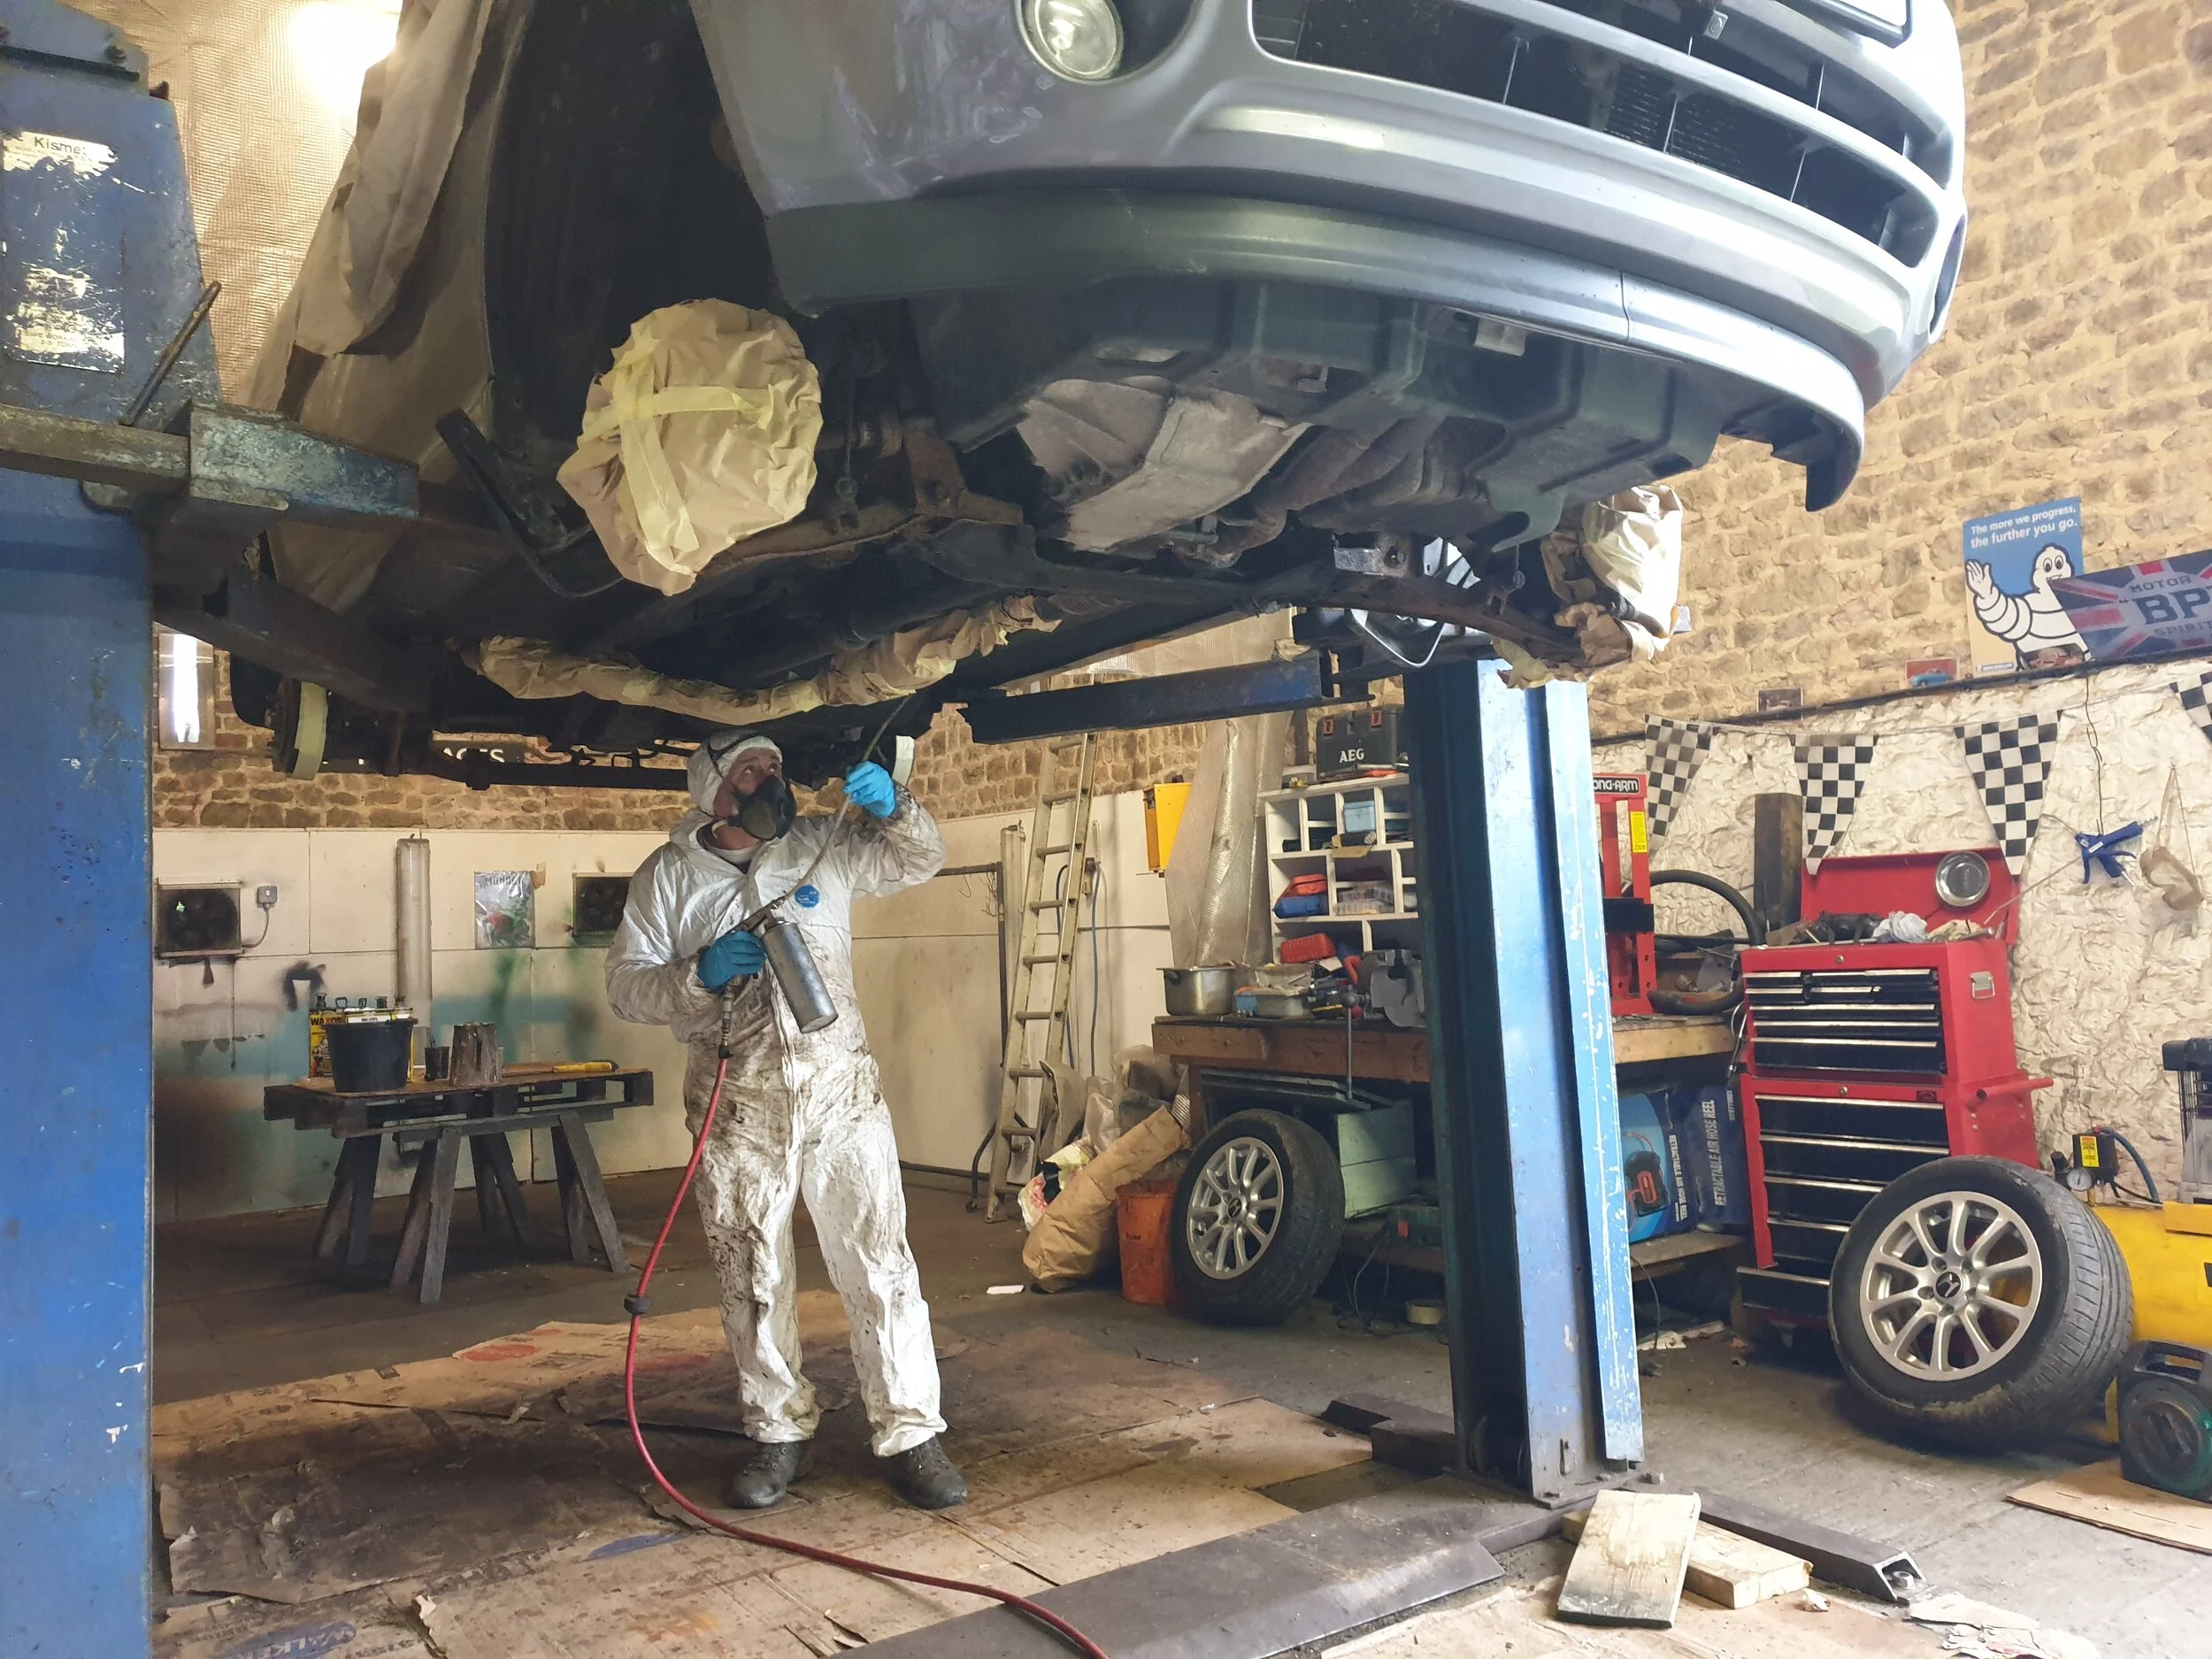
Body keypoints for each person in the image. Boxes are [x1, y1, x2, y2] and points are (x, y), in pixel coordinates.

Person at [604, 727, 964, 1510]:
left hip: (843, 1090)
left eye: (775, 763)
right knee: (752, 1269)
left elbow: (918, 859)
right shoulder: (668, 877)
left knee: (880, 1260)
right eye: (751, 769)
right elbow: (627, 986)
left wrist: (898, 807)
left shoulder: (821, 845)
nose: (772, 778)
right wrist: (696, 976)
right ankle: (777, 1431)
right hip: (738, 1099)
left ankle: (912, 1431)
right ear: (714, 792)